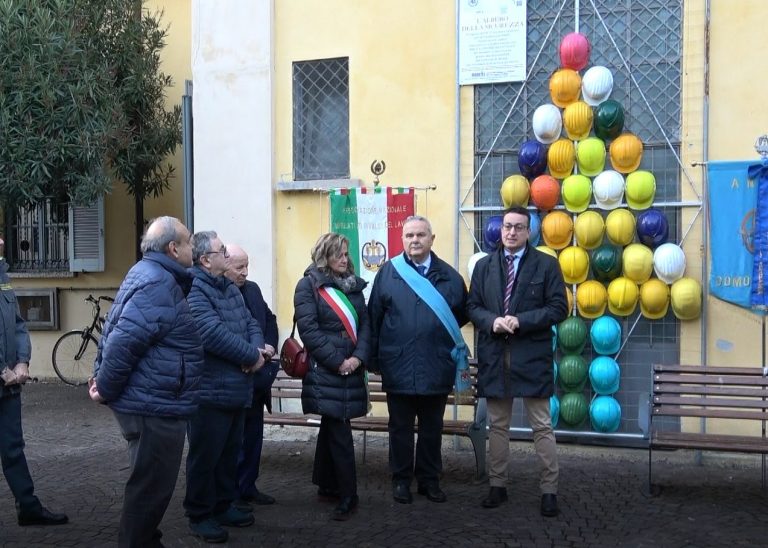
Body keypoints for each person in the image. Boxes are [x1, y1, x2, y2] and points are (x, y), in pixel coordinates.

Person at [90, 216, 203, 547]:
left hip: (155, 399)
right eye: (188, 241)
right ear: (173, 248)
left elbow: (118, 332)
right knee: (149, 492)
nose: (192, 247)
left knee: (149, 489)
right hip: (153, 405)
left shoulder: (151, 274)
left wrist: (103, 382)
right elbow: (124, 341)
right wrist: (105, 388)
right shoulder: (157, 283)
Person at [466, 206, 568, 517]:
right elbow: (472, 306)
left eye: (519, 227)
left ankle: (549, 490)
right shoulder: (484, 267)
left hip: (531, 355)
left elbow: (558, 308)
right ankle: (497, 486)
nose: (511, 232)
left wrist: (520, 321)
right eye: (507, 226)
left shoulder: (546, 265)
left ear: (529, 232)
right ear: (500, 229)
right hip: (495, 355)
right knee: (497, 425)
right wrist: (492, 321)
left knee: (541, 425)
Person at [368, 215, 468, 504]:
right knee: (399, 428)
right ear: (403, 239)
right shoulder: (388, 273)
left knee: (431, 428)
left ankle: (429, 480)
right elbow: (375, 317)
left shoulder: (450, 277)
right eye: (409, 235)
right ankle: (400, 480)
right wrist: (375, 360)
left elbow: (458, 317)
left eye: (421, 235)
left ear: (432, 239)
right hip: (398, 364)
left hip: (436, 365)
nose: (415, 240)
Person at [183, 231, 265, 543]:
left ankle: (223, 505)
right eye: (222, 252)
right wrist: (251, 356)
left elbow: (252, 323)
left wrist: (257, 351)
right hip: (209, 390)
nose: (228, 258)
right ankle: (200, 514)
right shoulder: (194, 289)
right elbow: (210, 333)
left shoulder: (229, 288)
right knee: (206, 457)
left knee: (229, 453)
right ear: (205, 260)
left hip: (236, 387)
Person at [293, 232, 370, 521]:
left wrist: (358, 358)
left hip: (351, 366)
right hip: (328, 370)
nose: (344, 258)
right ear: (324, 255)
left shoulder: (353, 287)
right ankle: (349, 494)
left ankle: (327, 484)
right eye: (338, 253)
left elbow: (366, 327)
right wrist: (339, 362)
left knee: (333, 424)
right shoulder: (308, 286)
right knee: (339, 429)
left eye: (346, 253)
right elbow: (309, 331)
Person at [0, 238, 68, 528]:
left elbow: (17, 323)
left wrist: (23, 361)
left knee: (13, 448)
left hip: (8, 385)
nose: (3, 240)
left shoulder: (2, 275)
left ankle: (28, 507)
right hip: (4, 376)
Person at [225, 244, 279, 508]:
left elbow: (268, 319)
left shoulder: (254, 290)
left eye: (247, 266)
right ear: (224, 265)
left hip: (258, 380)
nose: (245, 272)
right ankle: (231, 493)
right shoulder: (220, 294)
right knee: (234, 442)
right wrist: (250, 353)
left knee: (254, 436)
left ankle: (248, 486)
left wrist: (269, 345)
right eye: (239, 267)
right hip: (236, 378)